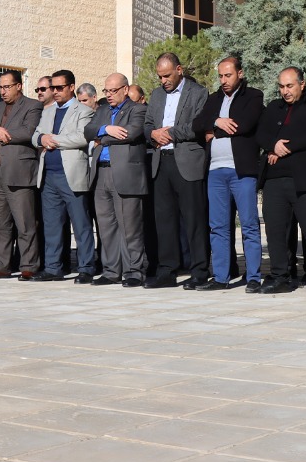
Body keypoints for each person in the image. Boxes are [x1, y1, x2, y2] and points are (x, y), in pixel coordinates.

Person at [256, 67, 306, 295]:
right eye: (281, 86)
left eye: (290, 86)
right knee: (276, 231)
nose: (285, 91)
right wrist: (273, 146)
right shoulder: (273, 107)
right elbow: (261, 134)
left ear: (302, 84)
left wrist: (284, 147)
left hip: (303, 178)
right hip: (275, 178)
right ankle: (280, 276)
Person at [193, 56, 265, 292]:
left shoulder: (253, 96)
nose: (223, 80)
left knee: (249, 224)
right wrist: (217, 121)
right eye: (220, 76)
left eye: (228, 75)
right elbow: (197, 124)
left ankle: (253, 276)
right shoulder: (213, 99)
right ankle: (221, 277)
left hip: (241, 169)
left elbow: (243, 125)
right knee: (218, 226)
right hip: (215, 171)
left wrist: (214, 130)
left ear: (240, 74)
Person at [144, 53, 210, 289]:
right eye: (160, 76)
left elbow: (197, 126)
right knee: (164, 220)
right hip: (161, 162)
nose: (163, 81)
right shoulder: (156, 95)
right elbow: (147, 124)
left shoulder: (199, 93)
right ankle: (167, 270)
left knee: (194, 219)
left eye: (167, 75)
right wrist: (153, 134)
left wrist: (169, 133)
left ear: (179, 69)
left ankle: (199, 270)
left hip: (187, 162)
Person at [85, 74, 149, 287]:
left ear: (125, 89)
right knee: (106, 226)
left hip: (125, 174)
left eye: (113, 91)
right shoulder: (102, 110)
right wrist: (106, 129)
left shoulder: (137, 109)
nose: (109, 95)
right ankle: (111, 270)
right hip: (101, 173)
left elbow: (131, 133)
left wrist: (101, 138)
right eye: (106, 91)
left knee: (130, 227)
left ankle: (134, 271)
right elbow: (87, 131)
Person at [31, 70, 96, 282]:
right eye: (53, 88)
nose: (55, 92)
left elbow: (82, 136)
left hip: (71, 175)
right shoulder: (48, 111)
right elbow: (35, 135)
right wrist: (41, 139)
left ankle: (86, 268)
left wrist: (53, 140)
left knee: (81, 224)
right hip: (48, 175)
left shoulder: (83, 110)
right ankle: (53, 268)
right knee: (52, 225)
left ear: (71, 87)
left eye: (60, 88)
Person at [0, 70, 42, 279]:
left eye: (7, 87)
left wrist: (1, 137)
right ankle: (1, 265)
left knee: (25, 222)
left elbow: (28, 131)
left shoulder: (33, 106)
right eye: (0, 87)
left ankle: (29, 265)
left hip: (19, 170)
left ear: (19, 86)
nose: (3, 91)